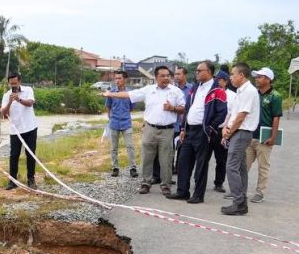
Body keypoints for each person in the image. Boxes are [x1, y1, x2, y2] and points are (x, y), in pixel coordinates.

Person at [104, 66, 185, 195]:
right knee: (147, 157)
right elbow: (128, 95)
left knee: (166, 159)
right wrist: (110, 94)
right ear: (156, 77)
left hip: (167, 130)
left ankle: (165, 185)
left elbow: (183, 108)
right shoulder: (148, 90)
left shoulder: (176, 91)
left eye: (168, 76)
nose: (166, 78)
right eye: (163, 76)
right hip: (150, 129)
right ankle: (146, 183)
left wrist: (172, 108)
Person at [168, 61, 226, 203]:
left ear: (209, 72)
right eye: (197, 71)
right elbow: (188, 109)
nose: (197, 73)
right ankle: (182, 191)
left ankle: (198, 195)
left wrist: (210, 129)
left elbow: (222, 113)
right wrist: (183, 128)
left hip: (203, 132)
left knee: (201, 165)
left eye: (200, 70)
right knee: (183, 161)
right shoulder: (195, 87)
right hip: (189, 131)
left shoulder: (218, 90)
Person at [220, 63, 260, 216]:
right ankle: (241, 200)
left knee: (231, 166)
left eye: (232, 74)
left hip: (241, 132)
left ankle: (238, 202)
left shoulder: (249, 91)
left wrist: (229, 134)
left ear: (241, 75)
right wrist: (225, 127)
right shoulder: (240, 91)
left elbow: (241, 116)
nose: (230, 77)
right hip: (236, 131)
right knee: (241, 166)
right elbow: (232, 113)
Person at [245, 67, 282, 203]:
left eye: (260, 77)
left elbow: (276, 118)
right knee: (244, 165)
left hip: (264, 137)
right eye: (256, 77)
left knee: (263, 166)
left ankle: (260, 192)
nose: (256, 79)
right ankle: (239, 190)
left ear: (268, 79)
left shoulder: (275, 96)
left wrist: (273, 137)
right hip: (250, 134)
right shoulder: (254, 93)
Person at [0, 73, 38, 190]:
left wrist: (19, 99)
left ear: (20, 82)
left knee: (30, 154)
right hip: (15, 130)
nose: (13, 85)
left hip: (30, 128)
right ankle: (12, 181)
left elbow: (30, 103)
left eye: (15, 83)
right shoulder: (6, 95)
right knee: (14, 155)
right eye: (11, 84)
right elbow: (4, 113)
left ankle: (31, 180)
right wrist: (10, 101)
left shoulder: (28, 90)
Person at [104, 70, 137, 178]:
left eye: (119, 78)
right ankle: (115, 168)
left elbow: (131, 108)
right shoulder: (111, 93)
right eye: (116, 78)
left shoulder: (130, 93)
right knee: (114, 147)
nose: (117, 80)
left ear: (125, 80)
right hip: (114, 123)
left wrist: (124, 114)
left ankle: (132, 168)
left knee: (130, 146)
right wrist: (110, 117)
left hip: (126, 122)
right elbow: (108, 106)